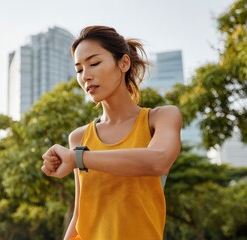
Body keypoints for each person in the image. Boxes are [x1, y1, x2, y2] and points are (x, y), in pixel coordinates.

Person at [41, 25, 182, 240]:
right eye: (79, 69)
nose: (85, 76)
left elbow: (158, 161)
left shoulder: (160, 118)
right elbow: (81, 214)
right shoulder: (79, 137)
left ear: (124, 63)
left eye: (94, 63)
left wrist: (75, 157)